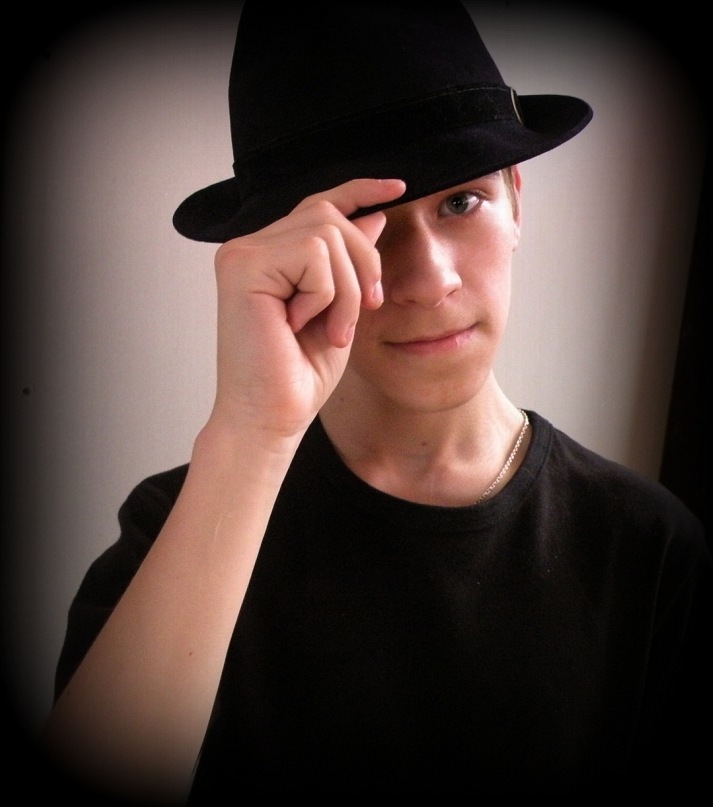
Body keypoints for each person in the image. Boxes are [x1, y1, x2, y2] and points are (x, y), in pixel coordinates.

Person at [39, 1, 711, 803]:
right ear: (284, 257)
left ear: (515, 202)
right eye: (364, 223)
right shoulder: (174, 531)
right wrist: (252, 432)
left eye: (460, 203)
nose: (429, 281)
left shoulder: (645, 547)